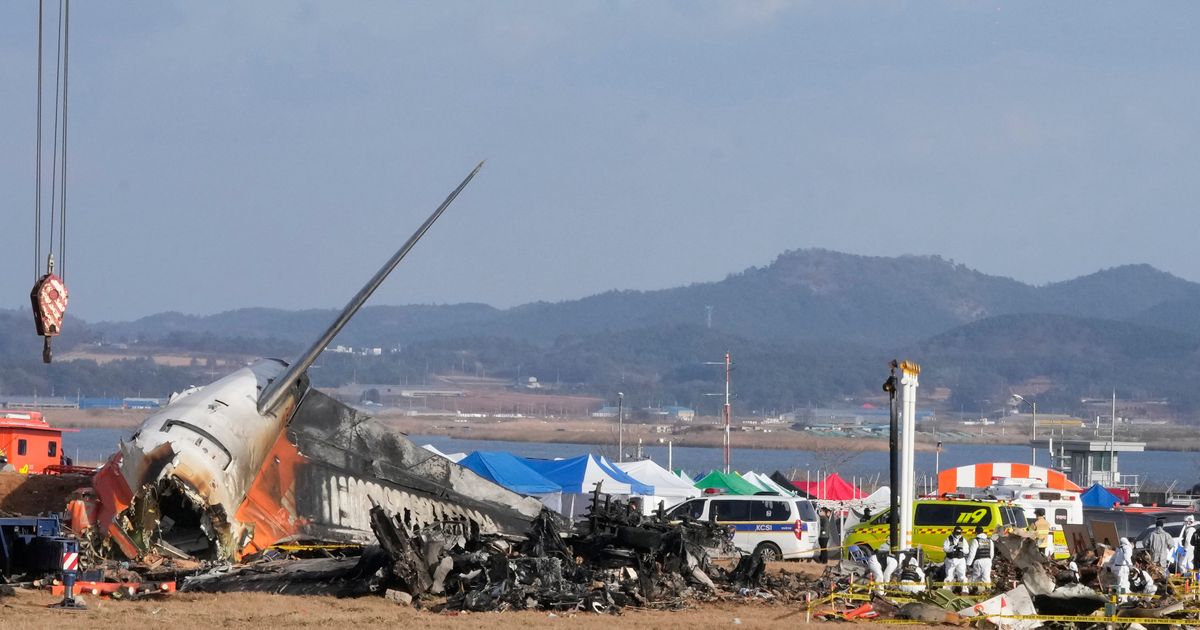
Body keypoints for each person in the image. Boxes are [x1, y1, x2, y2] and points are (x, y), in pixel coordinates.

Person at [966, 525, 994, 594]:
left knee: (976, 578)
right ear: (983, 532)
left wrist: (968, 564)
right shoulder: (989, 541)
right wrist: (989, 561)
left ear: (976, 532)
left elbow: (972, 553)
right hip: (988, 561)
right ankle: (988, 592)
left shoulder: (976, 541)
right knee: (986, 577)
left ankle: (975, 592)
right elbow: (991, 553)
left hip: (978, 561)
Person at [943, 526, 969, 593]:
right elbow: (945, 549)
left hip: (960, 560)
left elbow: (967, 551)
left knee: (962, 575)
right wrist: (953, 548)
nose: (958, 535)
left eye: (959, 533)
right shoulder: (949, 539)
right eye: (957, 533)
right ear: (954, 532)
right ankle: (947, 591)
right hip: (950, 560)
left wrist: (962, 549)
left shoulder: (963, 539)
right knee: (949, 575)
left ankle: (964, 590)